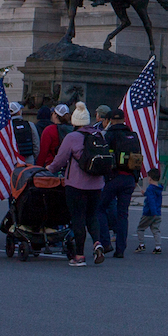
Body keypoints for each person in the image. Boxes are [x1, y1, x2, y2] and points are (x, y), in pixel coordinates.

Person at [50, 111, 110, 266]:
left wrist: (48, 169)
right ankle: (97, 243)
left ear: (74, 122)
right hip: (97, 184)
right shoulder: (99, 135)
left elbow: (60, 160)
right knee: (92, 216)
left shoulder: (72, 137)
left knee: (78, 218)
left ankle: (79, 256)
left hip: (76, 184)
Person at [100, 107, 140, 259]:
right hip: (129, 178)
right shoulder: (132, 135)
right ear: (124, 120)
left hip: (112, 178)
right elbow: (138, 157)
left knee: (100, 208)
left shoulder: (108, 135)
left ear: (110, 120)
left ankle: (105, 242)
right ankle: (121, 249)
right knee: (123, 213)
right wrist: (135, 178)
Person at [136, 167, 165, 254]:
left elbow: (151, 200)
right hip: (158, 213)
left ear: (150, 178)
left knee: (140, 228)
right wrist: (145, 193)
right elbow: (153, 197)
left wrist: (153, 212)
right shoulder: (158, 189)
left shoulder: (150, 189)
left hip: (149, 213)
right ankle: (158, 246)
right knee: (155, 229)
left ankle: (141, 244)